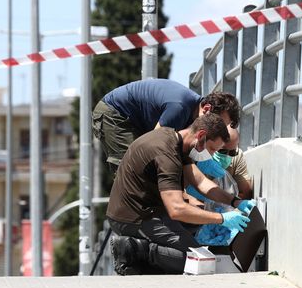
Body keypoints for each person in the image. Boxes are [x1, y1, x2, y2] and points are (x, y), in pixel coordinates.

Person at [105, 113, 253, 275]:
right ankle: (132, 248)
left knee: (197, 238)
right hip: (133, 217)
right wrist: (222, 219)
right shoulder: (166, 154)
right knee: (199, 262)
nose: (211, 155)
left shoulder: (176, 141)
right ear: (201, 136)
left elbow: (201, 182)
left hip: (146, 210)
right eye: (211, 149)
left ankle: (144, 262)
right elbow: (177, 209)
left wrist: (235, 201)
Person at [92, 79, 240, 176]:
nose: (218, 128)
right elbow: (155, 145)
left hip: (135, 120)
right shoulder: (180, 108)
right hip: (115, 113)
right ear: (207, 109)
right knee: (131, 169)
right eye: (219, 121)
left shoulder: (193, 114)